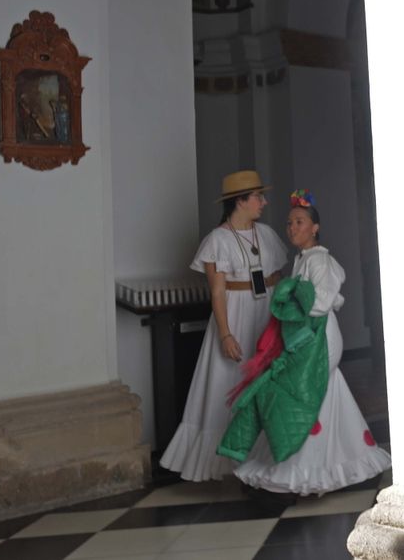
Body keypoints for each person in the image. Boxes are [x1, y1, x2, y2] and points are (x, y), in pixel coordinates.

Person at [230, 190, 391, 495]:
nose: (292, 228)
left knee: (305, 395)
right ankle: (348, 460)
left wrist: (290, 298)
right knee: (325, 394)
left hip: (320, 337)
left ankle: (306, 467)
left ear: (315, 227)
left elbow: (321, 301)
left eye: (299, 222)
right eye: (289, 223)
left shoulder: (319, 260)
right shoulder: (304, 259)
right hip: (307, 336)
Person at [159, 169, 290, 482]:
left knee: (268, 381)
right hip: (236, 314)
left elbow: (279, 278)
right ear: (240, 201)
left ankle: (266, 456)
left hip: (267, 313)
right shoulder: (217, 240)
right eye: (258, 196)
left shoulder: (266, 234)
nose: (264, 202)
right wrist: (226, 333)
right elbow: (217, 291)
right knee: (228, 382)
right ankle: (228, 461)